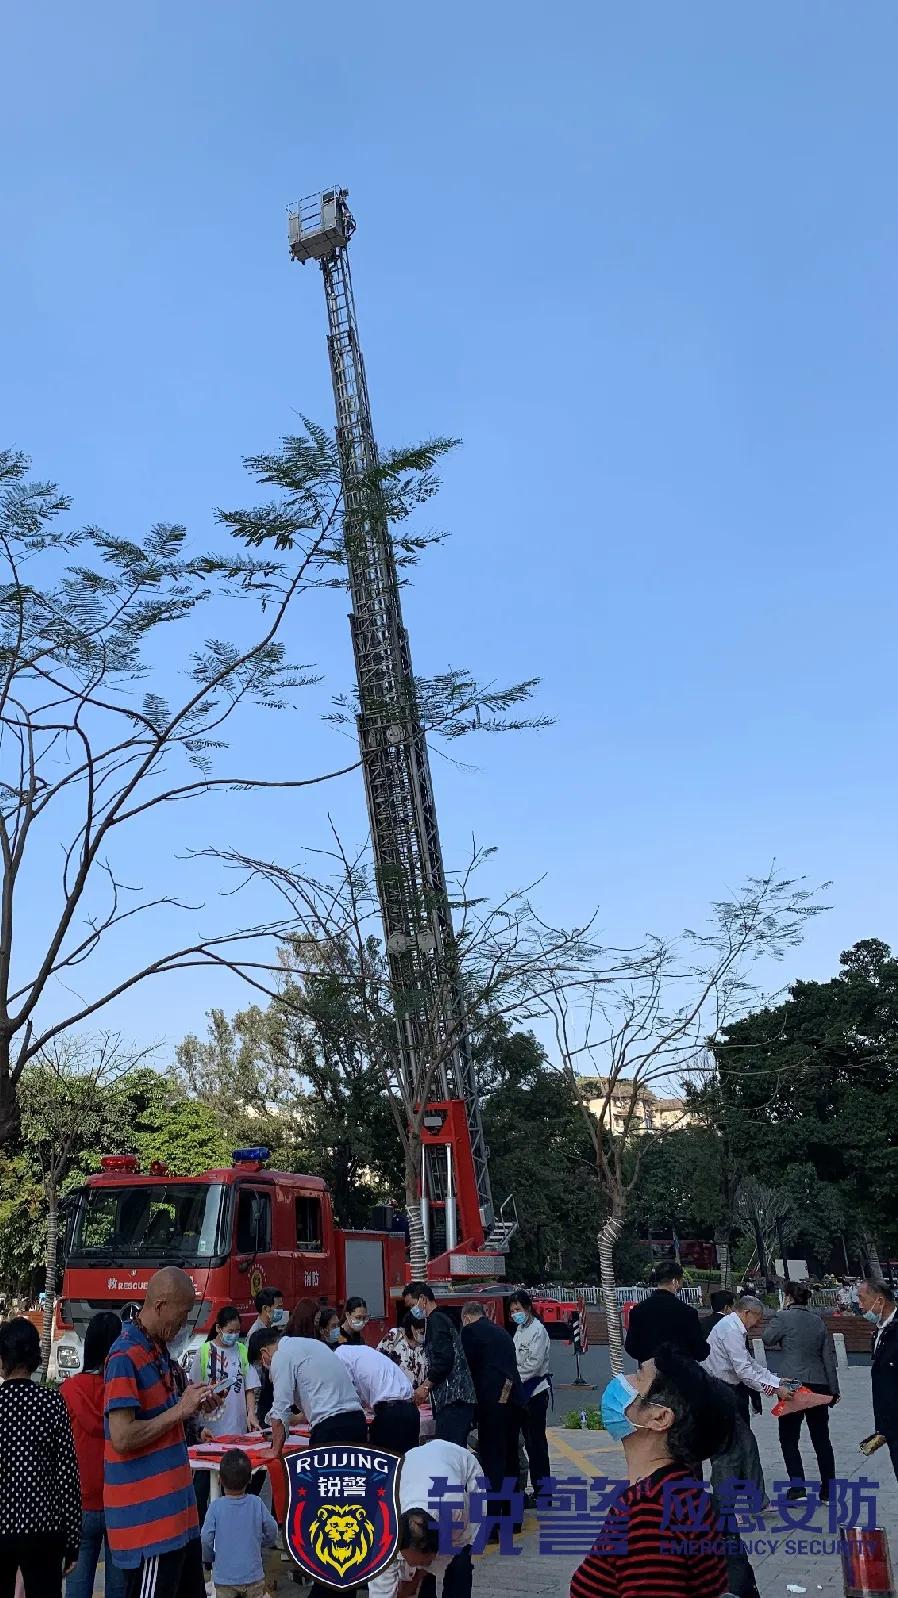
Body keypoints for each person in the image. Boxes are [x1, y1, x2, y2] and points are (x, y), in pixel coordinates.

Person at [571, 1345, 734, 1598]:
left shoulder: (649, 1513)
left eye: (638, 1376)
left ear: (659, 1418)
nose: (623, 1380)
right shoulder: (676, 1489)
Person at [104, 1266, 214, 1598]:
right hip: (151, 1527)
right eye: (182, 1314)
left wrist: (197, 1403)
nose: (184, 1323)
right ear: (161, 1305)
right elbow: (122, 1437)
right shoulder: (125, 1355)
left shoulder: (158, 1350)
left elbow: (174, 1405)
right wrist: (179, 1411)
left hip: (179, 1521)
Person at [0, 1317, 82, 1597]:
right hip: (45, 1528)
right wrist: (72, 1540)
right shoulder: (51, 1402)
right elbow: (67, 1475)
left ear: (3, 1359)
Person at [62, 1310, 127, 1598]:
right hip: (118, 1499)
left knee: (77, 1581)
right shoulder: (123, 1392)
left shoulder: (68, 1390)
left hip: (79, 1502)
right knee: (118, 1584)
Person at [702, 1295, 792, 1500]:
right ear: (746, 1312)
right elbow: (744, 1371)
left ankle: (755, 1499)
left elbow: (750, 1364)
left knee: (743, 1445)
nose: (759, 1323)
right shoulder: (731, 1330)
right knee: (730, 1450)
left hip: (726, 1389)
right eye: (758, 1317)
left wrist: (776, 1381)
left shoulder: (734, 1328)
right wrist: (774, 1389)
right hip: (720, 1391)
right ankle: (728, 1505)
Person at [367, 1438, 483, 1598]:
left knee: (460, 1562)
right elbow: (380, 1591)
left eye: (423, 1561)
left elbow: (460, 1541)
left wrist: (418, 1575)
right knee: (416, 1578)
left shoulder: (454, 1506)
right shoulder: (385, 1525)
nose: (415, 1566)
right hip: (414, 1463)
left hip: (461, 1467)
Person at [762, 1281, 838, 1499]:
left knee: (788, 1437)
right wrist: (834, 1389)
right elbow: (827, 1357)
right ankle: (828, 1490)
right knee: (821, 1439)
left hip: (793, 1384)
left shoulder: (783, 1317)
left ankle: (798, 1486)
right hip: (819, 1383)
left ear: (788, 1297)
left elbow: (768, 1338)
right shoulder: (818, 1321)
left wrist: (779, 1311)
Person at [188, 1304, 261, 1524]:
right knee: (202, 1484)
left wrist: (251, 1414)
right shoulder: (204, 1351)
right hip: (209, 1429)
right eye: (230, 1331)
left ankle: (230, 1527)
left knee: (233, 1483)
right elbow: (193, 1387)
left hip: (235, 1426)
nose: (233, 1335)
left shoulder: (241, 1350)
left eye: (237, 1331)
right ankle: (200, 1532)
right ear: (218, 1328)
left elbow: (250, 1386)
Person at [267, 1297, 366, 1456]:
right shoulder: (318, 1346)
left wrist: (275, 1450)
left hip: (331, 1429)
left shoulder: (282, 1353)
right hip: (357, 1422)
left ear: (265, 1351)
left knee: (325, 1480)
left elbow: (280, 1408)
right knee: (352, 1478)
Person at [460, 1302, 521, 1531]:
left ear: (466, 1317)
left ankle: (494, 1523)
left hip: (492, 1404)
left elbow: (467, 1370)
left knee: (493, 1462)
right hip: (513, 1401)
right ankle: (513, 1519)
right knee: (511, 1460)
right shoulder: (501, 1332)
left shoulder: (470, 1332)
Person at [200, 1448, 278, 1598]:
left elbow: (206, 1538)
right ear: (250, 1479)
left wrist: (209, 1558)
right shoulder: (256, 1503)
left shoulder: (216, 1507)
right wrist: (262, 1542)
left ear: (220, 1480)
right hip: (253, 1575)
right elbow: (272, 1529)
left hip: (224, 1578)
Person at [404, 1282, 476, 1447]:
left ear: (422, 1299)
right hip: (453, 1401)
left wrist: (425, 1387)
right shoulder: (438, 1319)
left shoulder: (436, 1320)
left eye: (411, 1305)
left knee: (449, 1453)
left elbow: (444, 1360)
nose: (411, 1311)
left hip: (454, 1400)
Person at [335, 1339, 420, 1452]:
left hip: (392, 1414)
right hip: (410, 1410)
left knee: (383, 1463)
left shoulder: (339, 1356)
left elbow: (348, 1397)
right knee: (406, 1464)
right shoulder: (362, 1352)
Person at [509, 1289, 551, 1499]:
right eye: (512, 1309)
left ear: (527, 1308)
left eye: (518, 1309)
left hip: (535, 1392)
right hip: (521, 1392)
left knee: (536, 1445)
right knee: (523, 1442)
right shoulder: (519, 1330)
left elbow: (533, 1364)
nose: (515, 1313)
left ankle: (543, 1491)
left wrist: (515, 1377)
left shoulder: (538, 1331)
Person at [625, 1262, 710, 1364]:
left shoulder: (639, 1309)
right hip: (680, 1372)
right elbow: (700, 1351)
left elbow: (631, 1347)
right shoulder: (687, 1312)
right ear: (675, 1281)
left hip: (649, 1372)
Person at [857, 1277, 898, 1482]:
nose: (859, 1305)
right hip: (890, 1420)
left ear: (879, 1301)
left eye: (862, 1299)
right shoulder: (881, 1329)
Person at [378, 1311, 429, 1389]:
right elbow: (378, 1358)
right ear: (411, 1327)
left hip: (416, 1397)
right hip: (392, 1394)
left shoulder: (426, 1345)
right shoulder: (395, 1336)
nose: (422, 1333)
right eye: (420, 1331)